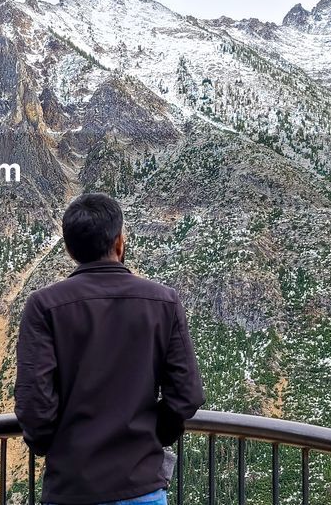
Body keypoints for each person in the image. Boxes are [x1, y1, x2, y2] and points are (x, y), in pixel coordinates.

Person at [15, 192, 206, 505]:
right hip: (141, 487)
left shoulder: (45, 306)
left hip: (72, 486)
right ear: (120, 242)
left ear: (69, 248)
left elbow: (34, 401)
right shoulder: (163, 302)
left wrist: (52, 445)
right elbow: (187, 394)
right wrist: (151, 436)